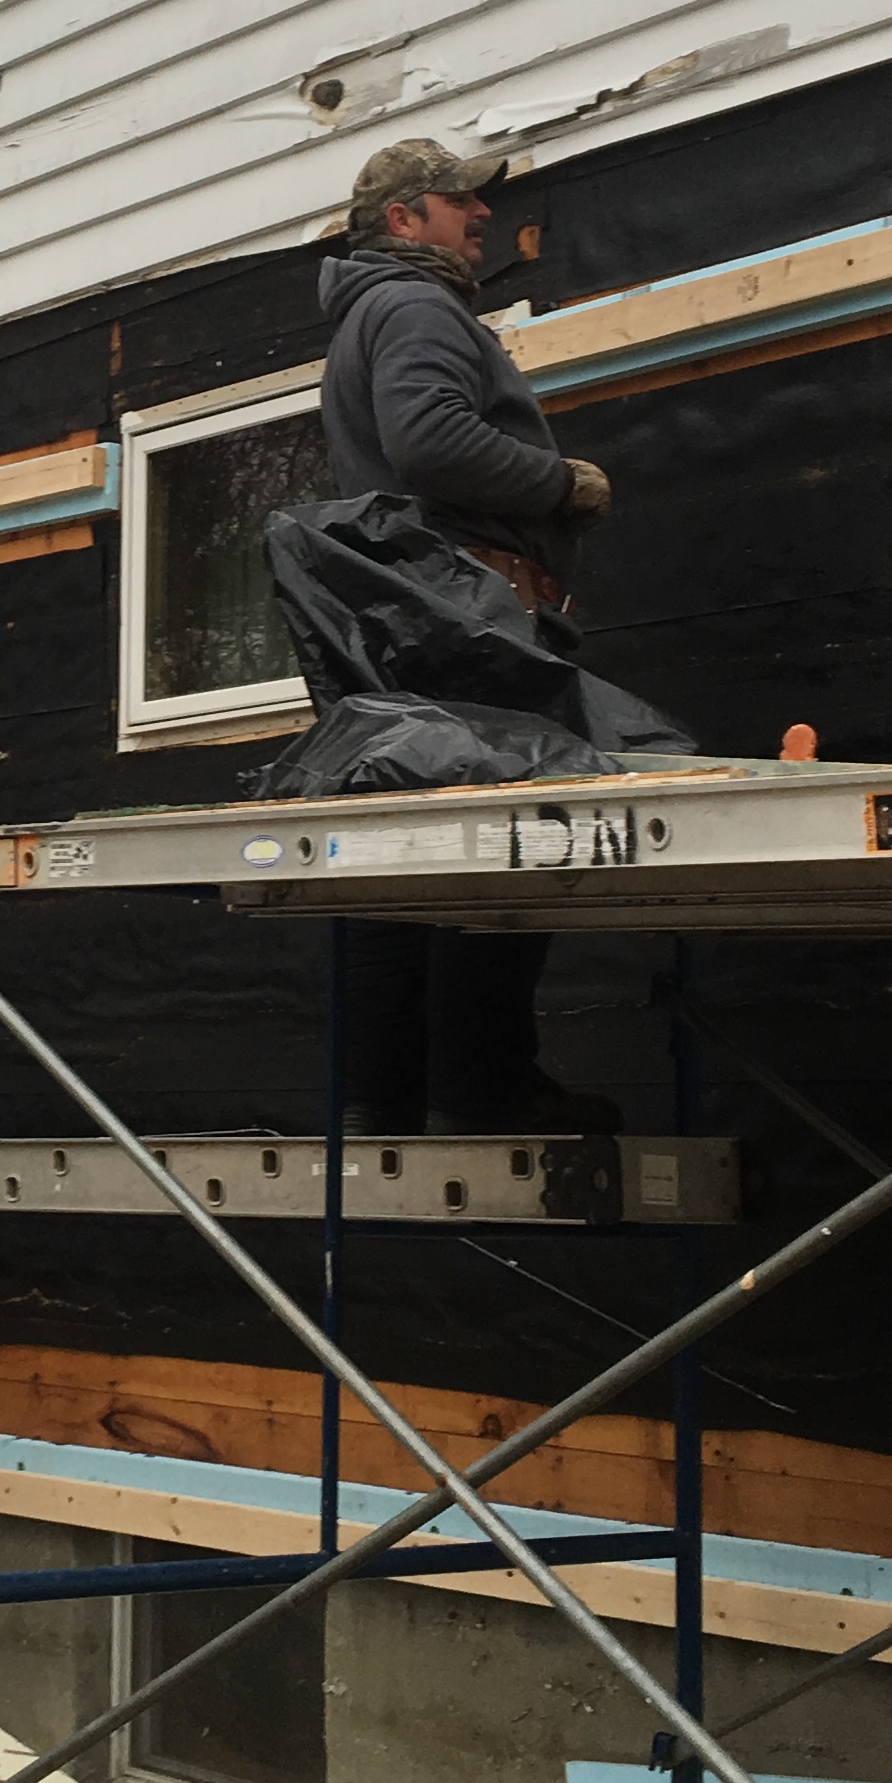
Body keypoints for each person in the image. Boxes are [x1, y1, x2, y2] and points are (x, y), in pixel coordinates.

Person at [318, 137, 616, 1136]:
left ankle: (383, 1099)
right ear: (405, 220)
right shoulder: (414, 304)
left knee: (400, 855)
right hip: (470, 613)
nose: (480, 214)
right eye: (458, 201)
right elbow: (432, 440)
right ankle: (486, 1090)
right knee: (501, 843)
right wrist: (559, 483)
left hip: (412, 614)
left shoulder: (369, 311)